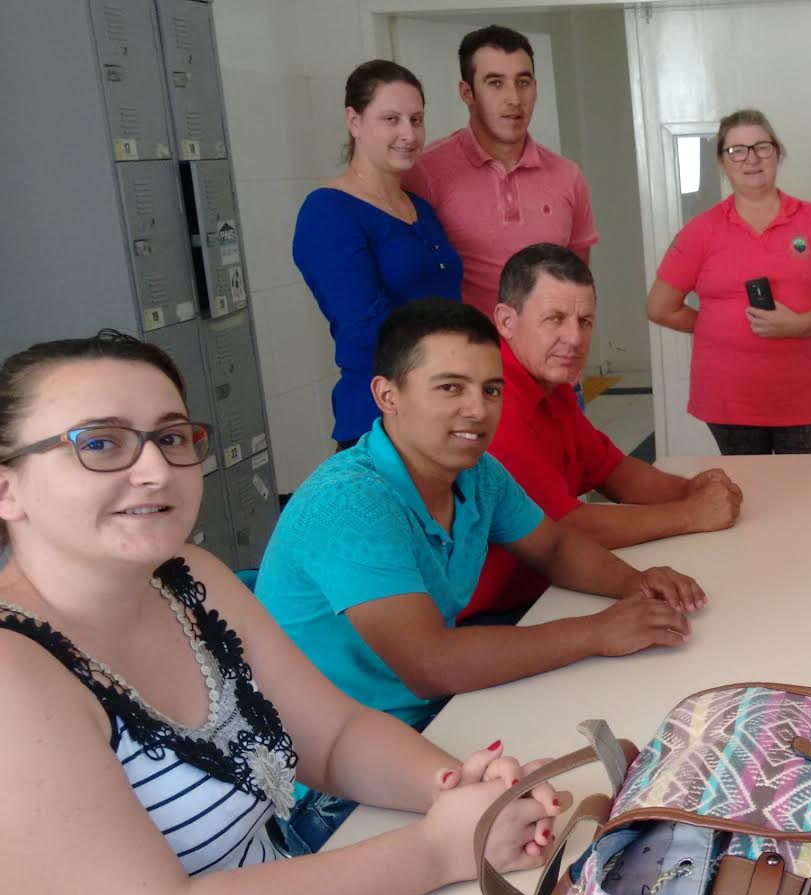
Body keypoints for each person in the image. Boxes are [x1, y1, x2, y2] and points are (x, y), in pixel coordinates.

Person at [0, 331, 563, 895]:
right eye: (100, 444)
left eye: (172, 437)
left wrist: (457, 789)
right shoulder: (13, 673)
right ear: (6, 488)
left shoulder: (188, 579)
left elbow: (334, 736)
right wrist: (441, 848)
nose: (156, 470)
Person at [255, 298, 702, 851]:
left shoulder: (477, 474)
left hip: (434, 719)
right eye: (450, 387)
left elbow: (555, 546)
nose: (478, 409)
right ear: (387, 395)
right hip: (328, 776)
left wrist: (635, 583)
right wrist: (599, 632)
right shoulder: (350, 502)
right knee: (560, 839)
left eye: (491, 390)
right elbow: (432, 663)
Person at [465, 244, 743, 622]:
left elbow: (612, 470)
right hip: (494, 615)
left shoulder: (551, 381)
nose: (574, 338)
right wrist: (691, 513)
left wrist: (691, 488)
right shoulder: (491, 402)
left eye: (585, 321)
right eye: (555, 319)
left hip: (548, 589)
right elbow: (562, 529)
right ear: (506, 321)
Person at [647, 110, 811, 455]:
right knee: (748, 487)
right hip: (729, 398)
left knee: (808, 487)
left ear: (777, 152)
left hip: (803, 396)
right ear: (721, 161)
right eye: (737, 150)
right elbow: (659, 307)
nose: (751, 159)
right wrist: (720, 328)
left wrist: (798, 324)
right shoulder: (701, 230)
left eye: (762, 147)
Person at [294, 60, 462, 448]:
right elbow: (366, 325)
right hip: (381, 419)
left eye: (416, 120)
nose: (409, 134)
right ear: (354, 121)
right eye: (391, 119)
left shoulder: (421, 208)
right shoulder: (328, 211)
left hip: (443, 410)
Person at [403, 25, 599, 315]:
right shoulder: (424, 173)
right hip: (464, 341)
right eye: (495, 83)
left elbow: (577, 287)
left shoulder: (567, 176)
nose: (514, 99)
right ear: (467, 93)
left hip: (548, 344)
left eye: (523, 82)